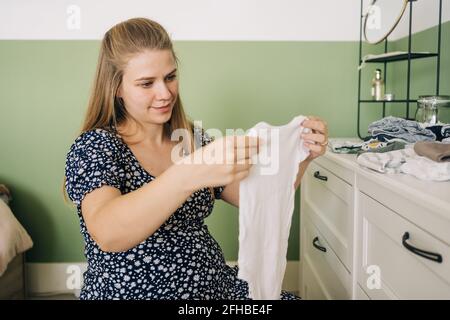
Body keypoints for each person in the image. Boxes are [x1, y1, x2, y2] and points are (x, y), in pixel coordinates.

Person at [64, 17, 328, 300]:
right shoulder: (96, 145)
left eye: (170, 77)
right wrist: (191, 172)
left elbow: (258, 195)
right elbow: (108, 232)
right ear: (117, 88)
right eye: (146, 83)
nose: (164, 93)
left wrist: (302, 157)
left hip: (215, 287)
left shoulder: (190, 137)